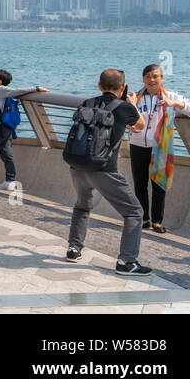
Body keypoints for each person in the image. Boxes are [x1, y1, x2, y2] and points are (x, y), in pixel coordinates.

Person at [66, 69, 152, 275]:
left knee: (82, 206)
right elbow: (140, 123)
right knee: (134, 212)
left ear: (99, 86)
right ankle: (126, 262)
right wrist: (131, 103)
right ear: (122, 88)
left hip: (77, 166)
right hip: (104, 170)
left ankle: (73, 248)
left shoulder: (86, 103)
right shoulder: (124, 107)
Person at [127, 63, 190, 234]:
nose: (152, 80)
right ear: (143, 79)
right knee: (140, 183)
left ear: (161, 78)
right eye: (148, 76)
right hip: (137, 145)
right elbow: (124, 118)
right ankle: (144, 219)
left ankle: (157, 221)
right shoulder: (135, 97)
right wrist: (129, 125)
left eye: (155, 76)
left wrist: (174, 103)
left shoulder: (170, 95)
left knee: (159, 184)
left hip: (160, 146)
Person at [0, 69, 48, 189]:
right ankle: (9, 181)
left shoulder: (1, 90)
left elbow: (18, 91)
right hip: (5, 127)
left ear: (0, 82)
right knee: (6, 155)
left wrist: (36, 88)